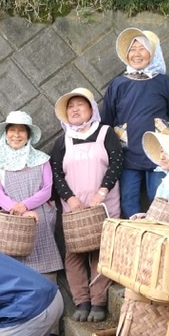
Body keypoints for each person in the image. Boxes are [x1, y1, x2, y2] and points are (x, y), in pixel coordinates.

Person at [0, 111, 63, 336]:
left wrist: (26, 205)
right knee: (16, 280)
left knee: (46, 276)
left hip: (39, 219)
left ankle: (50, 333)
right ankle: (19, 333)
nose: (17, 134)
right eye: (13, 130)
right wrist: (15, 208)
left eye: (22, 130)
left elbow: (47, 188)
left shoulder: (41, 159)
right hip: (13, 225)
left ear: (29, 134)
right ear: (6, 133)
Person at [51, 88, 123, 322]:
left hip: (104, 205)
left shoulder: (106, 133)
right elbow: (55, 173)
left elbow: (117, 163)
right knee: (73, 255)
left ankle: (99, 302)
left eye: (80, 104)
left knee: (100, 253)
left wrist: (101, 192)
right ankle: (81, 301)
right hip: (75, 209)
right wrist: (70, 198)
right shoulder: (63, 140)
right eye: (70, 106)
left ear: (92, 109)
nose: (75, 109)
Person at [101, 27, 169, 219]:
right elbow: (107, 120)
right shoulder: (118, 84)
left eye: (142, 48)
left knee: (160, 198)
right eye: (132, 49)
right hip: (127, 155)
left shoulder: (165, 83)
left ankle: (156, 242)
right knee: (128, 199)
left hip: (160, 154)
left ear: (153, 53)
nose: (136, 54)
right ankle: (135, 240)